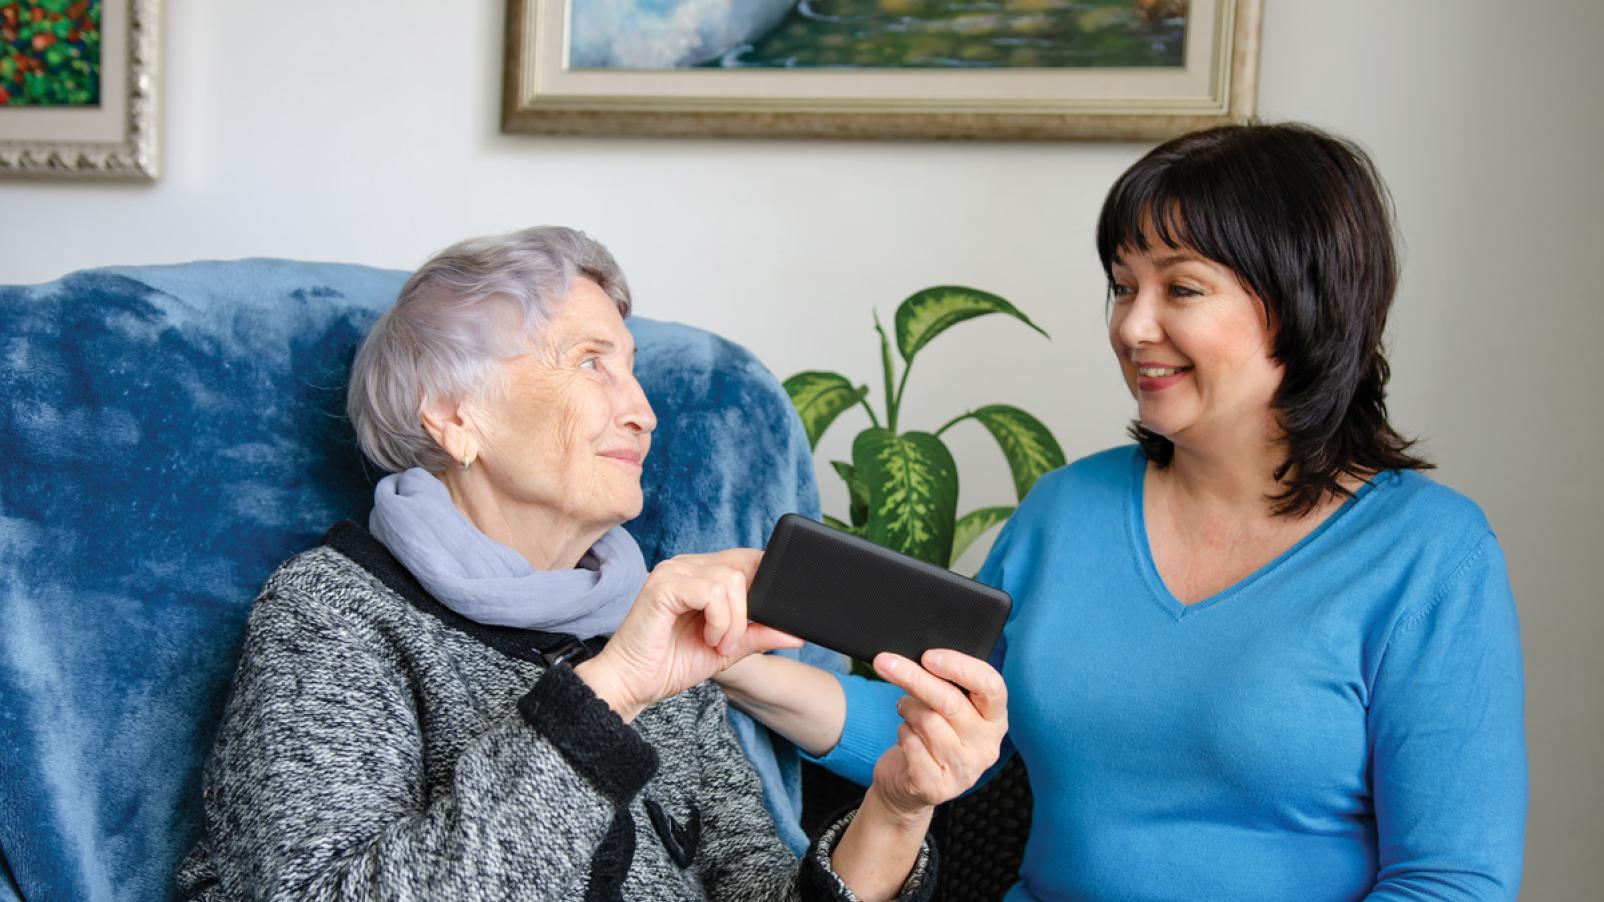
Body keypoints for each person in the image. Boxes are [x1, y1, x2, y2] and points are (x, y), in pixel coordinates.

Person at [716, 123, 1527, 900]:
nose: (1133, 327)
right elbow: (941, 729)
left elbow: (1451, 881)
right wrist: (734, 666)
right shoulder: (1067, 510)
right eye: (1122, 287)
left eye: (1180, 288)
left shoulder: (1430, 554)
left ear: (1303, 300)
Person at [175, 226, 1008, 900]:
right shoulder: (333, 615)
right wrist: (614, 689)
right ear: (454, 418)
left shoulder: (652, 628)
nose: (643, 412)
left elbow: (758, 887)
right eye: (589, 363)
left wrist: (897, 812)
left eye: (633, 372)